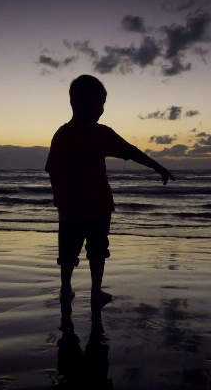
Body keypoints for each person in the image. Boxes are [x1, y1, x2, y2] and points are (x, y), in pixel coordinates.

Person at [45, 74, 175, 309]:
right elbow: (131, 152)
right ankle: (95, 292)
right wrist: (158, 166)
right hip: (98, 205)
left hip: (69, 208)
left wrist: (58, 198)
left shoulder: (60, 135)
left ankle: (66, 289)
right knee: (97, 249)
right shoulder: (100, 133)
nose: (102, 110)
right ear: (86, 103)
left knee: (67, 251)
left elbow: (51, 170)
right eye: (100, 104)